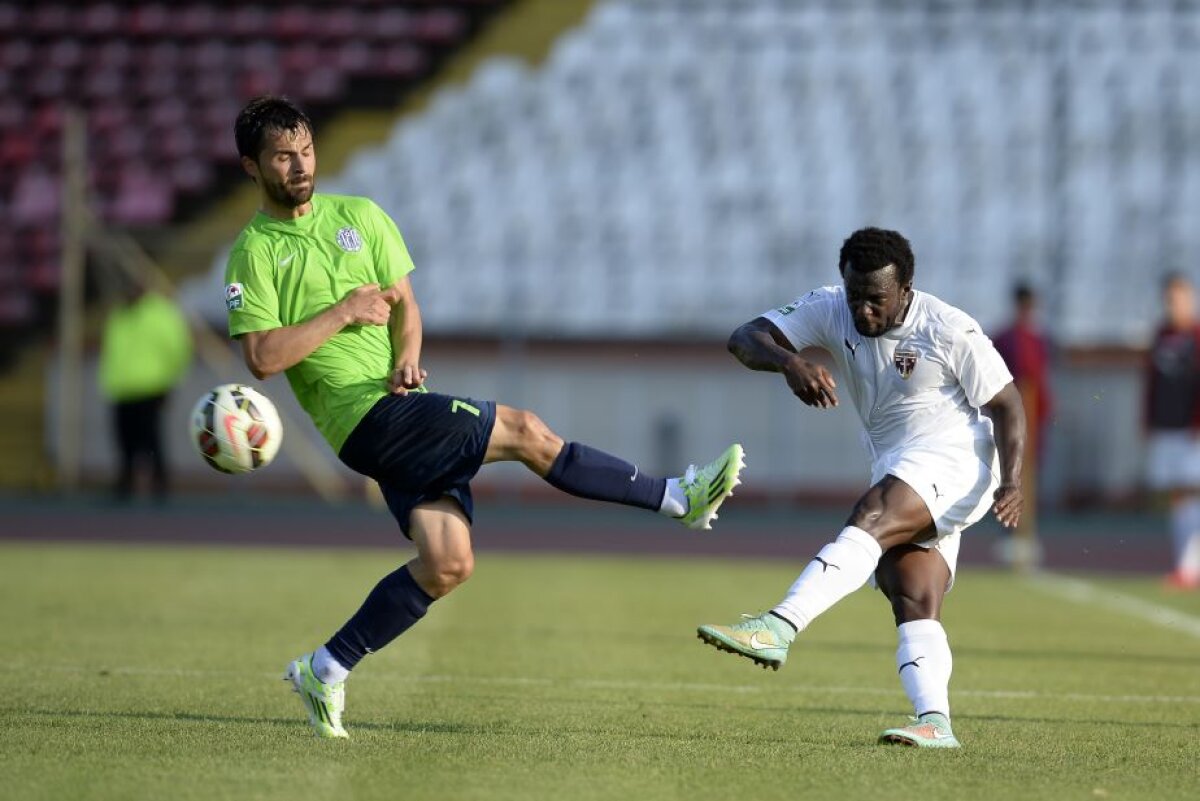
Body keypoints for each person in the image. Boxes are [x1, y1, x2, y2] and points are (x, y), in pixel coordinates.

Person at [225, 96, 746, 739]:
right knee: (526, 431)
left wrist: (407, 359)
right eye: (283, 155)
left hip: (398, 402)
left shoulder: (359, 216)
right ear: (252, 166)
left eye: (305, 149)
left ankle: (326, 668)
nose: (300, 164)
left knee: (447, 562)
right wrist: (340, 313)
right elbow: (262, 357)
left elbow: (404, 306)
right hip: (360, 422)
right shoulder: (255, 251)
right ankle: (678, 497)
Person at [696, 227, 1025, 749]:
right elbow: (744, 338)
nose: (863, 311)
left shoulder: (949, 327)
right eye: (855, 297)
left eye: (877, 299)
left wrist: (1012, 481)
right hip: (898, 463)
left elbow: (1007, 403)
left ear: (906, 289)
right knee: (910, 592)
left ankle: (779, 626)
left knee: (871, 515)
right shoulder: (831, 307)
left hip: (958, 458)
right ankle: (935, 722)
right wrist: (790, 361)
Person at [97, 276, 193, 501]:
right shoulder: (119, 314)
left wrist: (171, 382)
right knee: (124, 442)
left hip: (151, 387)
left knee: (152, 441)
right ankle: (125, 485)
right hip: (122, 388)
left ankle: (160, 486)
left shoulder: (161, 313)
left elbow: (178, 349)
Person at [1144, 273, 1200, 590]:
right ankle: (1186, 567)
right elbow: (1151, 382)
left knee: (1190, 493)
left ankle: (1187, 568)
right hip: (1166, 428)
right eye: (1169, 299)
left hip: (1191, 431)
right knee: (1178, 497)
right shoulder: (1161, 334)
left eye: (1178, 298)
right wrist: (1147, 419)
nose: (1173, 305)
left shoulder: (1197, 335)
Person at [991, 282, 1053, 567]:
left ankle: (1026, 534)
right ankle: (1009, 535)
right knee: (1007, 474)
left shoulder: (1038, 339)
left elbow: (1040, 381)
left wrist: (1047, 409)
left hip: (1034, 422)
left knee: (1028, 478)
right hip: (1009, 422)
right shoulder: (1005, 338)